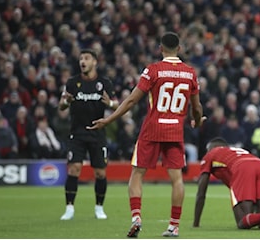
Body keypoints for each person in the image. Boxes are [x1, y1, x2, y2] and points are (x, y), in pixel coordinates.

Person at [87, 32, 204, 238]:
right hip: (175, 130)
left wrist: (109, 119)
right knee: (177, 179)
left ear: (161, 48)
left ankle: (136, 217)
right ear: (179, 48)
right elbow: (197, 106)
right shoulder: (190, 73)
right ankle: (174, 226)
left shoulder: (153, 70)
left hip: (152, 129)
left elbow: (132, 101)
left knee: (137, 174)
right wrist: (196, 119)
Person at [58, 48, 119, 221]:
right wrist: (66, 102)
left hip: (97, 133)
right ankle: (69, 208)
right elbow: (61, 106)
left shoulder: (104, 83)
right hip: (77, 133)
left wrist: (111, 104)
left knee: (100, 172)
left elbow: (117, 106)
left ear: (94, 62)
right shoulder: (72, 82)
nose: (82, 62)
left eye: (86, 58)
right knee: (74, 168)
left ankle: (99, 207)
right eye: (81, 59)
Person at [193, 137, 260, 231]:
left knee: (243, 221)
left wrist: (196, 223)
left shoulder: (211, 153)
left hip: (242, 167)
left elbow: (201, 192)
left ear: (211, 148)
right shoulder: (237, 151)